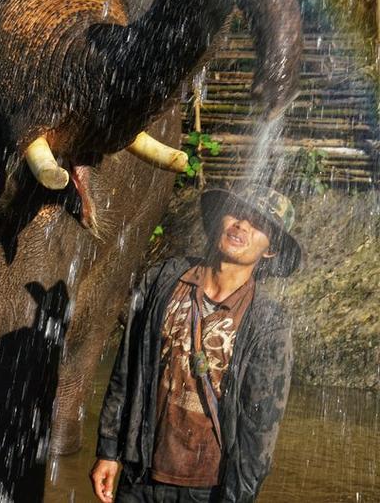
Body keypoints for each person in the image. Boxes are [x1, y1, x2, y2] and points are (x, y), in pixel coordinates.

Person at [90, 185, 301, 503]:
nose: (242, 225)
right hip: (140, 470)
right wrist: (108, 450)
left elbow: (260, 424)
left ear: (270, 249)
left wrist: (239, 497)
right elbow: (127, 367)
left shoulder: (268, 322)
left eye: (257, 223)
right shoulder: (164, 279)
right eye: (237, 213)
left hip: (207, 487)